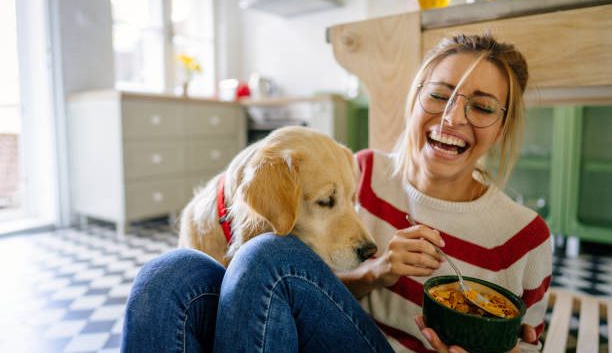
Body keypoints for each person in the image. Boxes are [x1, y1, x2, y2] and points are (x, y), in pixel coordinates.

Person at [121, 33, 552, 353]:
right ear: (415, 99)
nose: (453, 117)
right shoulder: (357, 169)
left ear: (503, 125)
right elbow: (303, 291)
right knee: (167, 274)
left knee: (266, 255)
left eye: (481, 106)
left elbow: (528, 344)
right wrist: (376, 272)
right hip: (323, 337)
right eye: (439, 95)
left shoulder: (524, 238)